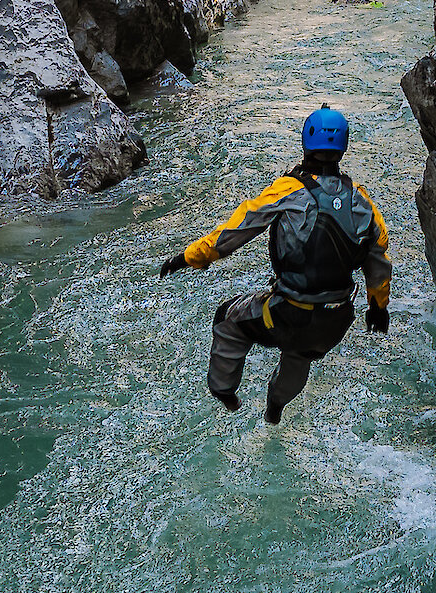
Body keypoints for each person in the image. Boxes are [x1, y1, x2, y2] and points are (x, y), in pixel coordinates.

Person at [159, 105, 391, 424]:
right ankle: (274, 411)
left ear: (306, 142)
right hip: (335, 322)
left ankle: (224, 392)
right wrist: (378, 308)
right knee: (299, 354)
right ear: (343, 147)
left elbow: (236, 230)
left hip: (289, 313)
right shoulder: (363, 203)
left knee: (227, 317)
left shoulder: (288, 190)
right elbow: (379, 261)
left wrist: (188, 257)